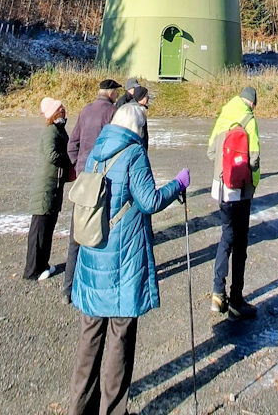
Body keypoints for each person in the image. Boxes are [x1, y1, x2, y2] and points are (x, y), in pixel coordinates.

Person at [69, 102, 189, 415]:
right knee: (119, 341)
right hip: (123, 262)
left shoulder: (97, 151)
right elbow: (148, 201)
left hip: (93, 256)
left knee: (89, 339)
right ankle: (112, 410)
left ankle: (79, 408)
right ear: (139, 128)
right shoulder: (134, 153)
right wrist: (178, 184)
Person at [62, 79, 122, 303]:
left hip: (84, 180)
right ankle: (97, 288)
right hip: (104, 181)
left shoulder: (85, 110)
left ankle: (67, 289)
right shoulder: (113, 113)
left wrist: (79, 168)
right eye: (116, 92)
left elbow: (72, 143)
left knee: (77, 234)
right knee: (102, 234)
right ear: (111, 93)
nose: (117, 95)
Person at [207, 86, 260, 319]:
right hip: (242, 191)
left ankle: (217, 292)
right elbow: (255, 159)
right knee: (240, 245)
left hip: (222, 189)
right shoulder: (249, 119)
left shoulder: (224, 115)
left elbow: (211, 151)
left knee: (226, 237)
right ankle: (236, 300)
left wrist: (223, 168)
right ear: (252, 103)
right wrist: (252, 183)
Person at [23, 97, 70, 281]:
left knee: (48, 228)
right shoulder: (50, 131)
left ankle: (42, 265)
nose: (64, 110)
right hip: (46, 186)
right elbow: (52, 154)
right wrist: (69, 160)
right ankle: (32, 270)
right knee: (39, 229)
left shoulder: (59, 129)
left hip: (54, 185)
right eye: (60, 109)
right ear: (54, 113)